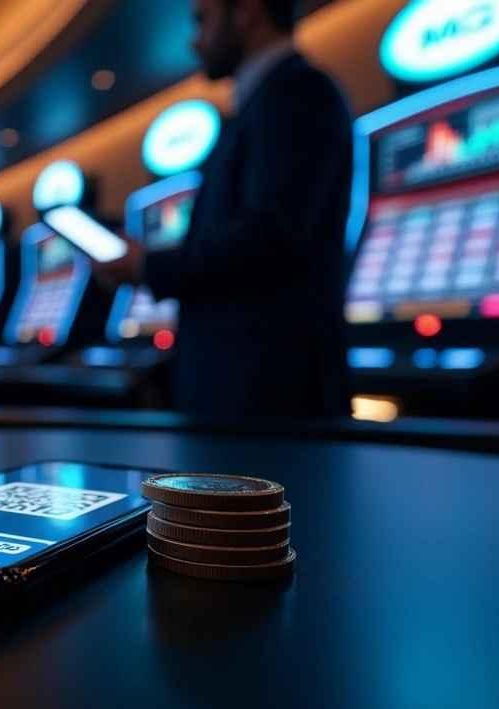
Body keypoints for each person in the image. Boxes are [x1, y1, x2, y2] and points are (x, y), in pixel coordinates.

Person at [98, 0, 352, 419]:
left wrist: (146, 266)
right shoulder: (259, 104)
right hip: (242, 390)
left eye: (202, 19)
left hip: (270, 395)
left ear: (248, 11)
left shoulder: (297, 92)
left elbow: (269, 237)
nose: (194, 40)